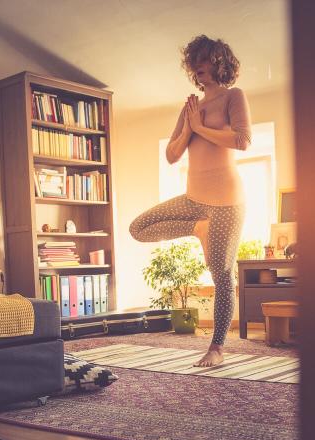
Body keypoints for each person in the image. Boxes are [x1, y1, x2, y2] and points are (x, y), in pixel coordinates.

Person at [129, 35, 252, 367]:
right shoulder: (191, 107)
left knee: (221, 273)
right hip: (193, 199)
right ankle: (197, 228)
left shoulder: (233, 96)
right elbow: (171, 155)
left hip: (226, 201)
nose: (199, 67)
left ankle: (217, 348)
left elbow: (242, 140)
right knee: (138, 228)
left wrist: (201, 126)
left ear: (220, 63)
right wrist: (188, 127)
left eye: (206, 60)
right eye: (195, 62)